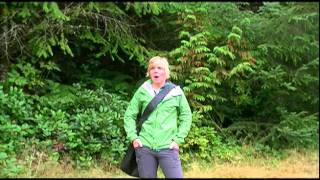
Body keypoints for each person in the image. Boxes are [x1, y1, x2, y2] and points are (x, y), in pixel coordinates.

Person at [123, 56, 192, 178]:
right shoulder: (143, 90)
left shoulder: (176, 92)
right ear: (149, 72)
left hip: (168, 147)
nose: (156, 71)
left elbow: (186, 116)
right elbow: (129, 115)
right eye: (152, 68)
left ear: (166, 72)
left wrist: (178, 140)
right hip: (145, 147)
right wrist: (133, 138)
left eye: (160, 68)